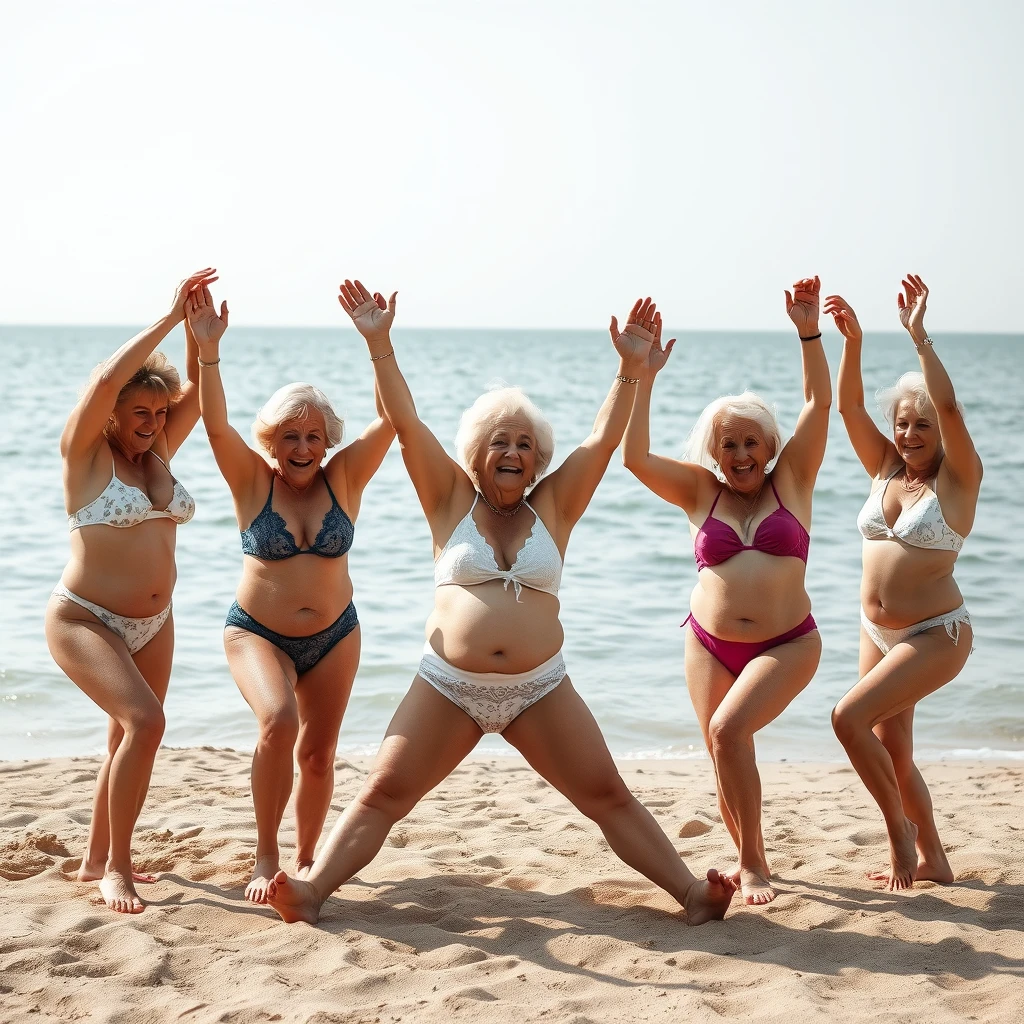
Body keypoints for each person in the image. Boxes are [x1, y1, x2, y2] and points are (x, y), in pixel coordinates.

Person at [265, 279, 737, 927]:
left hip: (539, 687)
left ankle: (691, 894)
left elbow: (601, 444)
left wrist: (631, 369)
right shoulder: (448, 500)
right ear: (476, 455)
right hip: (449, 686)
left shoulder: (555, 506)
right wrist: (380, 342)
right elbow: (407, 425)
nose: (511, 451)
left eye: (522, 443)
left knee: (608, 796)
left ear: (537, 457)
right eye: (498, 442)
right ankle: (313, 891)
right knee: (381, 795)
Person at [622, 277, 832, 905]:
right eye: (729, 444)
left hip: (787, 643)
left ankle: (755, 864)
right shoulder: (699, 490)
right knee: (721, 745)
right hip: (708, 642)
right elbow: (633, 457)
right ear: (715, 451)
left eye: (751, 443)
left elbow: (819, 405)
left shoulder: (792, 479)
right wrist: (645, 374)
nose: (740, 454)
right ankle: (749, 855)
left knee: (729, 731)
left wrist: (808, 332)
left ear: (770, 449)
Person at [186, 282, 395, 903]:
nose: (300, 449)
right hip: (258, 631)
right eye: (287, 437)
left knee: (320, 755)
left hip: (336, 634)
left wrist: (377, 340)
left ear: (326, 439)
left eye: (311, 436)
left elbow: (392, 421)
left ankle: (304, 860)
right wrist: (208, 351)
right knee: (277, 721)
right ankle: (265, 854)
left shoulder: (345, 478)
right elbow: (216, 426)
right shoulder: (251, 480)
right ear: (270, 442)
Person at [45, 268, 216, 913]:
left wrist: (206, 339)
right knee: (147, 723)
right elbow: (103, 380)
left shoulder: (161, 452)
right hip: (84, 619)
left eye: (158, 413)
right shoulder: (85, 455)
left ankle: (96, 860)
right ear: (112, 416)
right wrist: (171, 317)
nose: (150, 422)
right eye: (138, 412)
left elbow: (202, 393)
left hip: (155, 621)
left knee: (126, 736)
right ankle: (117, 869)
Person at [828, 276, 982, 890]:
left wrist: (919, 336)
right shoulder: (886, 467)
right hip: (876, 630)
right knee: (894, 752)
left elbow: (948, 406)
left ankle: (901, 835)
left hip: (935, 634)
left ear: (941, 432)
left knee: (846, 720)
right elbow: (845, 408)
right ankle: (935, 860)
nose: (910, 435)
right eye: (902, 424)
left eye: (921, 426)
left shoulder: (959, 479)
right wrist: (853, 342)